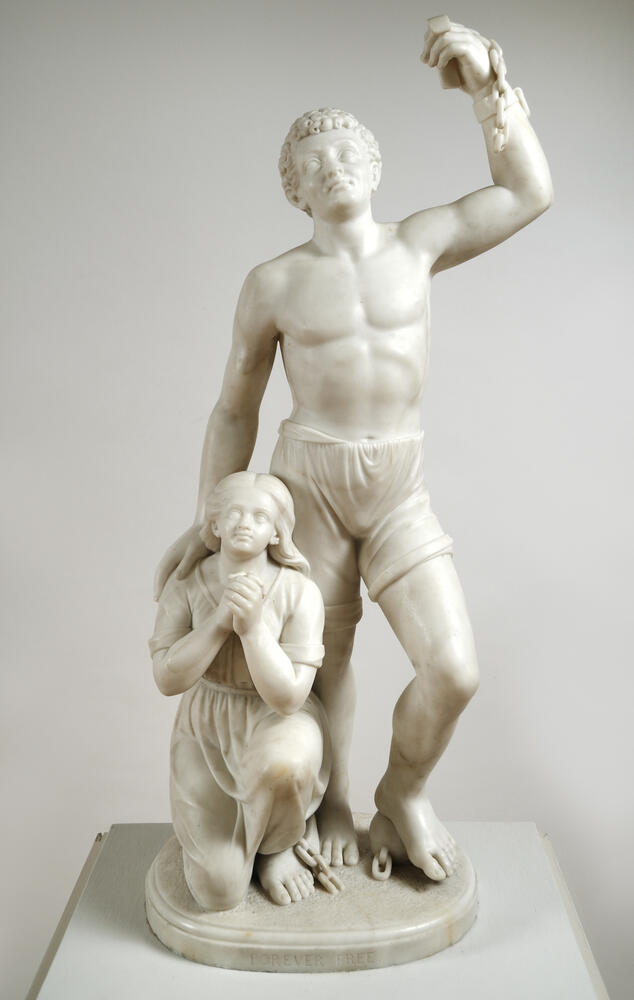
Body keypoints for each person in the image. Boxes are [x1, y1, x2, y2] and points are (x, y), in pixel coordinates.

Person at [154, 20, 553, 881]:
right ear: (293, 191)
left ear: (375, 167)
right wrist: (209, 521)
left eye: (346, 154)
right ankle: (329, 804)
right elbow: (234, 407)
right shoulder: (273, 282)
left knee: (452, 669)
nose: (332, 167)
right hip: (310, 481)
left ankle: (401, 792)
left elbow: (527, 193)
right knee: (322, 660)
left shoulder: (419, 242)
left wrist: (490, 92)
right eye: (313, 164)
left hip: (398, 481)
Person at [150, 472, 330, 908]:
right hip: (206, 725)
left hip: (277, 719)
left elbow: (288, 697)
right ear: (213, 523)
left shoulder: (299, 592)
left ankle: (278, 844)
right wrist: (217, 623)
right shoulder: (186, 584)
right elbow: (167, 679)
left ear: (277, 532)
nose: (245, 524)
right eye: (234, 513)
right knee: (218, 891)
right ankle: (236, 849)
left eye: (260, 516)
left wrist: (252, 630)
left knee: (284, 764)